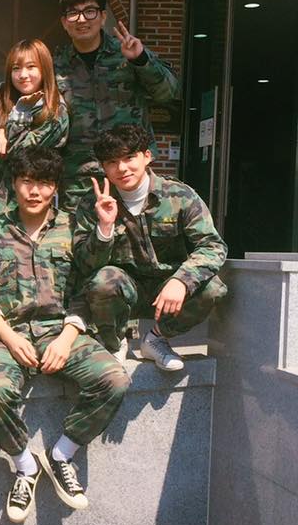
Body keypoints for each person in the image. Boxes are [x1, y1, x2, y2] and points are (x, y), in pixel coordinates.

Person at [0, 147, 130, 523]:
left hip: (60, 330)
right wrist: (9, 338)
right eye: (27, 181)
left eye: (44, 183)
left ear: (55, 188)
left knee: (114, 379)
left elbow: (85, 288)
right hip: (7, 333)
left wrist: (66, 337)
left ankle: (61, 455)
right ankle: (25, 465)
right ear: (14, 184)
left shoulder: (71, 229)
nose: (34, 191)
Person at [74, 124, 228, 371]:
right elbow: (84, 265)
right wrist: (104, 228)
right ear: (103, 167)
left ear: (147, 156)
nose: (122, 168)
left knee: (213, 288)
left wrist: (181, 280)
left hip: (168, 289)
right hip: (124, 291)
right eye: (112, 162)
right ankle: (115, 343)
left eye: (129, 158)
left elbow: (212, 245)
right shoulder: (92, 203)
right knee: (103, 281)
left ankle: (156, 338)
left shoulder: (178, 195)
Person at [52, 0, 179, 210]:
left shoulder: (127, 52)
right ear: (64, 22)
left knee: (133, 231)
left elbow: (167, 93)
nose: (81, 19)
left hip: (128, 174)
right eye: (73, 13)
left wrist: (140, 60)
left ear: (102, 16)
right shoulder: (55, 65)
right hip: (79, 179)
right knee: (80, 232)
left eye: (89, 11)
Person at [0, 38, 69, 216]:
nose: (23, 75)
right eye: (16, 68)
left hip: (28, 203)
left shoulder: (55, 111)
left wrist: (17, 117)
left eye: (31, 67)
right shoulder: (3, 96)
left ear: (44, 69)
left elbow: (18, 152)